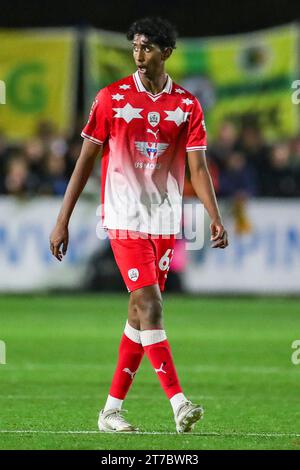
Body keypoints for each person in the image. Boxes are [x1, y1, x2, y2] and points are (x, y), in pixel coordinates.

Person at [50, 17, 228, 434]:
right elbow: (85, 161)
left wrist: (214, 216)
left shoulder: (186, 105)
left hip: (165, 222)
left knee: (137, 313)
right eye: (135, 47)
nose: (139, 54)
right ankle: (179, 403)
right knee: (151, 306)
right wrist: (63, 220)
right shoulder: (111, 99)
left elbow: (197, 168)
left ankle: (110, 411)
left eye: (148, 48)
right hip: (124, 219)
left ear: (166, 53)